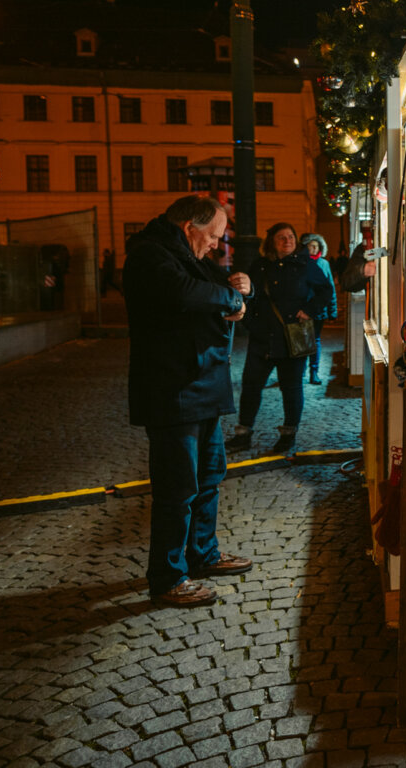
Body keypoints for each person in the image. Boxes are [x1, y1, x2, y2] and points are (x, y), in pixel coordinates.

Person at [123, 195, 253, 608]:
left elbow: (215, 285)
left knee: (209, 476)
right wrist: (232, 301)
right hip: (172, 390)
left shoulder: (186, 255)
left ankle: (202, 554)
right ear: (188, 228)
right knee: (177, 488)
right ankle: (167, 576)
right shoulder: (149, 255)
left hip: (200, 386)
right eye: (213, 236)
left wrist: (239, 286)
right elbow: (184, 292)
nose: (216, 245)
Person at [231, 222, 333, 453]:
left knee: (291, 387)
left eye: (291, 237)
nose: (287, 241)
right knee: (251, 385)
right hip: (262, 337)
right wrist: (250, 323)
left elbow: (325, 290)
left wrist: (309, 310)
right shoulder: (260, 266)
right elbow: (249, 295)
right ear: (271, 242)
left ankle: (289, 434)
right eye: (281, 238)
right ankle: (243, 433)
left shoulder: (305, 264)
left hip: (291, 337)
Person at [300, 233, 338, 385]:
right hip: (302, 309)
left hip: (319, 311)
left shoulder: (324, 264)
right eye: (311, 245)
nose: (314, 248)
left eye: (316, 246)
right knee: (301, 340)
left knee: (315, 340)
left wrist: (332, 310)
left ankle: (313, 371)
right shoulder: (301, 263)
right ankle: (301, 370)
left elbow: (331, 288)